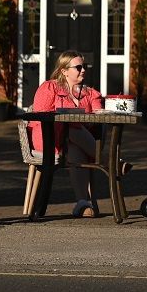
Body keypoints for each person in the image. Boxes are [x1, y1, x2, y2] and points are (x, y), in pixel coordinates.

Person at [28, 50, 109, 217]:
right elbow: (41, 115)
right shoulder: (49, 88)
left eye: (84, 66)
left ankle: (82, 203)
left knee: (74, 146)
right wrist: (70, 120)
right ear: (64, 71)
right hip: (48, 138)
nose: (83, 70)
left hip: (75, 141)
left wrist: (84, 119)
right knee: (71, 127)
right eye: (78, 67)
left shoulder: (90, 93)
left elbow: (99, 116)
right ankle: (109, 161)